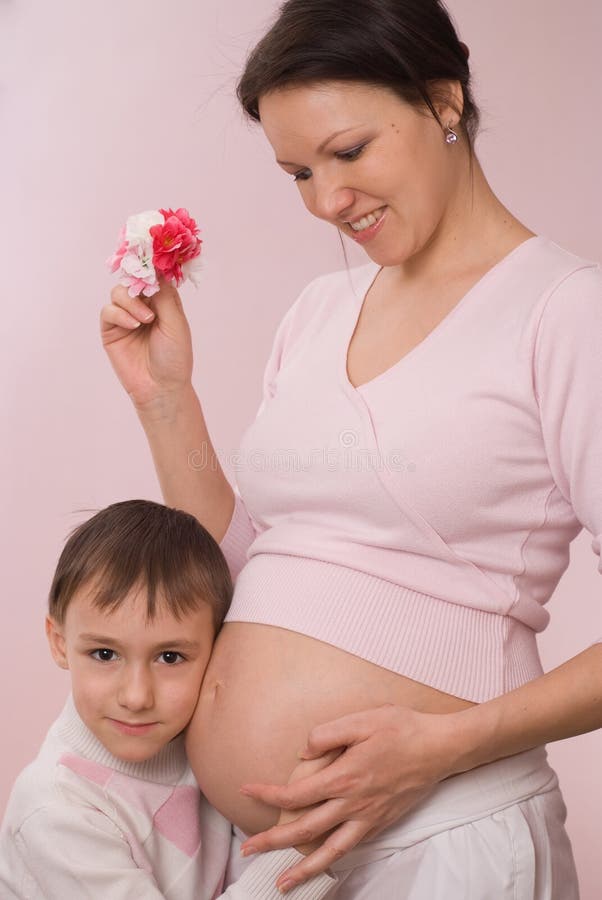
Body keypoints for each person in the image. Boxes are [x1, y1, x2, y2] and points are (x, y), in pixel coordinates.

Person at [100, 0, 602, 896]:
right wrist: (165, 398)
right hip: (279, 859)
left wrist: (443, 746)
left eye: (349, 152)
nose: (328, 202)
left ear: (443, 102)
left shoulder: (564, 315)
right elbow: (249, 571)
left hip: (446, 837)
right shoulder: (319, 312)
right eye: (298, 172)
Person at [0, 500, 338, 899]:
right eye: (104, 654)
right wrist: (298, 852)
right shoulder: (56, 811)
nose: (136, 696)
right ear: (59, 643)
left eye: (170, 657)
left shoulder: (201, 746)